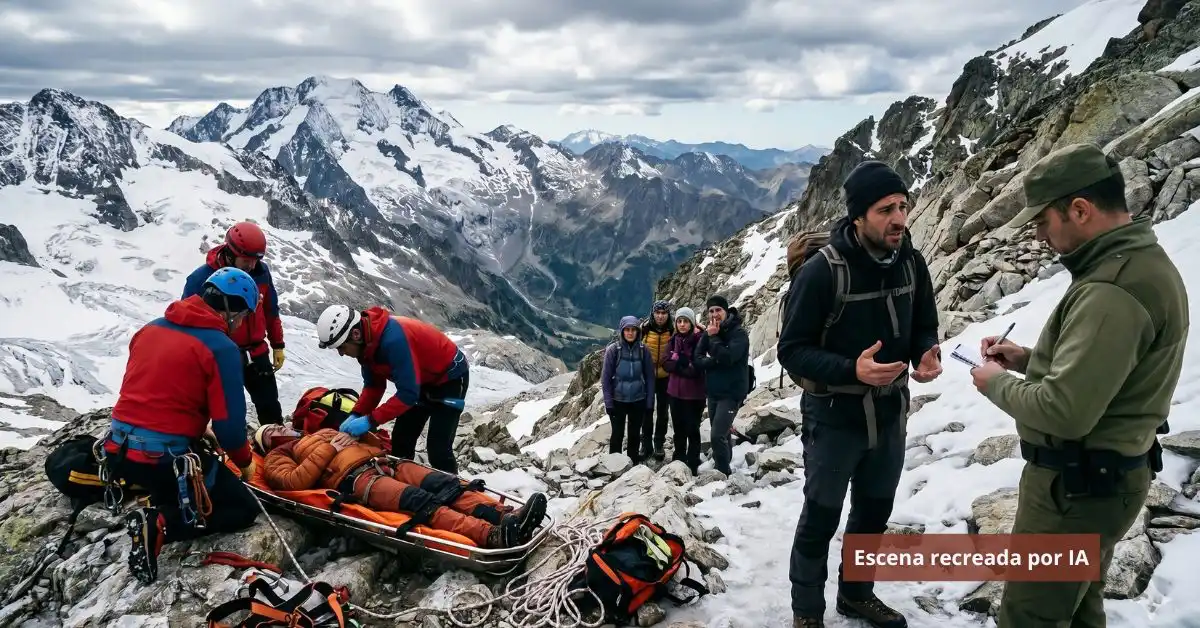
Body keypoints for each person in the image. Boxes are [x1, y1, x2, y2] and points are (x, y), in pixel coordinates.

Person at [968, 143, 1188, 628]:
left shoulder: (1112, 287)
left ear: (1080, 209)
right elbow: (1107, 373)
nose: (1041, 235)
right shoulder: (1134, 263)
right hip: (1098, 482)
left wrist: (996, 383)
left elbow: (1066, 411)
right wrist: (1029, 359)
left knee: (1031, 617)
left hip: (1077, 492)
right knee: (1080, 608)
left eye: (1044, 221)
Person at [776, 159, 942, 628]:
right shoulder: (824, 272)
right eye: (885, 209)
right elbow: (792, 350)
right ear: (858, 217)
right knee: (820, 518)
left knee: (873, 512)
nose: (899, 219)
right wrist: (853, 369)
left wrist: (926, 351)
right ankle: (807, 613)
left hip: (889, 415)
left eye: (903, 207)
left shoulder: (912, 261)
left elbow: (923, 322)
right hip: (834, 418)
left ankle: (856, 595)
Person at [100, 267, 263, 585]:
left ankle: (160, 506)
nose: (242, 324)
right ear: (232, 311)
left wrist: (193, 425)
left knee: (176, 485)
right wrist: (245, 465)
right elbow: (229, 429)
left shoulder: (149, 329)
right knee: (242, 507)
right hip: (165, 460)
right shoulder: (221, 348)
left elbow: (155, 393)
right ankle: (162, 522)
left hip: (119, 452)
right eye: (243, 316)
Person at [253, 425, 548, 548]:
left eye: (277, 426)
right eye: (270, 434)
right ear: (265, 447)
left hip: (385, 463)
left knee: (446, 484)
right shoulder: (278, 458)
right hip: (359, 481)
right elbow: (295, 482)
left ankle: (506, 515)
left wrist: (360, 434)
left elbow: (373, 443)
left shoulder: (321, 431)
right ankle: (494, 536)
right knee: (422, 503)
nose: (280, 430)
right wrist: (330, 448)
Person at [315, 305, 469, 473]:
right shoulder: (366, 347)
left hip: (450, 377)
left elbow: (408, 395)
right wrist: (356, 414)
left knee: (438, 449)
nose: (341, 353)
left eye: (341, 347)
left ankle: (456, 492)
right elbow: (374, 386)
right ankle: (405, 485)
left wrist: (370, 421)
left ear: (356, 334)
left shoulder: (393, 341)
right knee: (401, 441)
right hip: (421, 379)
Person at [182, 221, 286, 425]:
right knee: (229, 409)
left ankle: (276, 447)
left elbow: (271, 310)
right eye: (247, 260)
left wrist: (278, 344)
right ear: (230, 252)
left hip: (256, 351)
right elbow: (188, 322)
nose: (252, 266)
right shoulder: (201, 279)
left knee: (270, 405)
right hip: (224, 353)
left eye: (256, 260)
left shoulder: (261, 272)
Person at [692, 296, 750, 477]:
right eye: (711, 311)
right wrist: (715, 361)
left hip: (732, 394)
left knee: (717, 435)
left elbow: (728, 357)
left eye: (718, 310)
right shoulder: (708, 333)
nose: (715, 314)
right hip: (714, 392)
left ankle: (722, 472)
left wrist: (714, 338)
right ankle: (724, 464)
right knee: (722, 433)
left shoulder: (738, 333)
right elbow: (697, 359)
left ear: (726, 311)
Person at [600, 316, 656, 464]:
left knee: (634, 434)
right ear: (622, 331)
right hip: (618, 399)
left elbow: (650, 378)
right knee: (617, 434)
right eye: (627, 330)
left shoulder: (644, 351)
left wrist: (649, 402)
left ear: (638, 332)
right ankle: (614, 465)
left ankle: (632, 462)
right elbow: (605, 379)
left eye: (633, 330)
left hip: (638, 399)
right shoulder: (613, 350)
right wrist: (608, 403)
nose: (630, 333)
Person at [662, 306, 706, 475]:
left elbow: (696, 369)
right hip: (675, 393)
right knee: (679, 429)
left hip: (694, 395)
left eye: (685, 321)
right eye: (679, 321)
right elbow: (665, 363)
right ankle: (679, 458)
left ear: (691, 323)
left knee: (692, 429)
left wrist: (678, 364)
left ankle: (693, 462)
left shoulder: (699, 340)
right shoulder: (673, 340)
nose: (682, 324)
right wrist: (682, 363)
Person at [640, 300, 674, 459]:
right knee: (647, 411)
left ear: (668, 314)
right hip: (647, 377)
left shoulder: (673, 330)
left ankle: (658, 443)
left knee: (662, 411)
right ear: (653, 313)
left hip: (665, 377)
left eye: (663, 313)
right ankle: (646, 445)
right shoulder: (644, 329)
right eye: (657, 313)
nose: (660, 316)